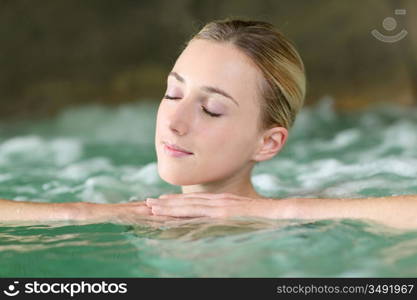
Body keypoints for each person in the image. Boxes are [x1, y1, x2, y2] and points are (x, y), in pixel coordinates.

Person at [1, 18, 416, 230]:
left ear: (268, 143)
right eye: (172, 93)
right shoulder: (113, 199)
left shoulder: (305, 223)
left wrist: (277, 213)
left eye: (212, 109)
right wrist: (84, 214)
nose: (175, 123)